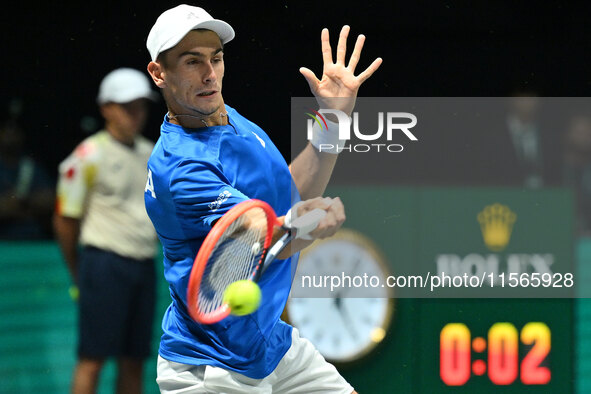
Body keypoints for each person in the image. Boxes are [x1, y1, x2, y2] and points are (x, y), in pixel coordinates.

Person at [144, 5, 381, 393]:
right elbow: (260, 238)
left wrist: (334, 120)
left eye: (216, 59)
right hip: (212, 367)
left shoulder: (228, 118)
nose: (209, 74)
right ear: (159, 73)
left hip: (269, 344)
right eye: (192, 62)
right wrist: (308, 225)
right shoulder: (180, 169)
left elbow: (288, 194)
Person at [53, 68, 159, 394]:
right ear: (105, 108)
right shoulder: (86, 156)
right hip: (103, 266)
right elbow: (65, 220)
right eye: (127, 106)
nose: (135, 114)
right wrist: (79, 269)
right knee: (92, 358)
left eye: (140, 105)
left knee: (135, 360)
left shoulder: (153, 153)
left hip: (144, 266)